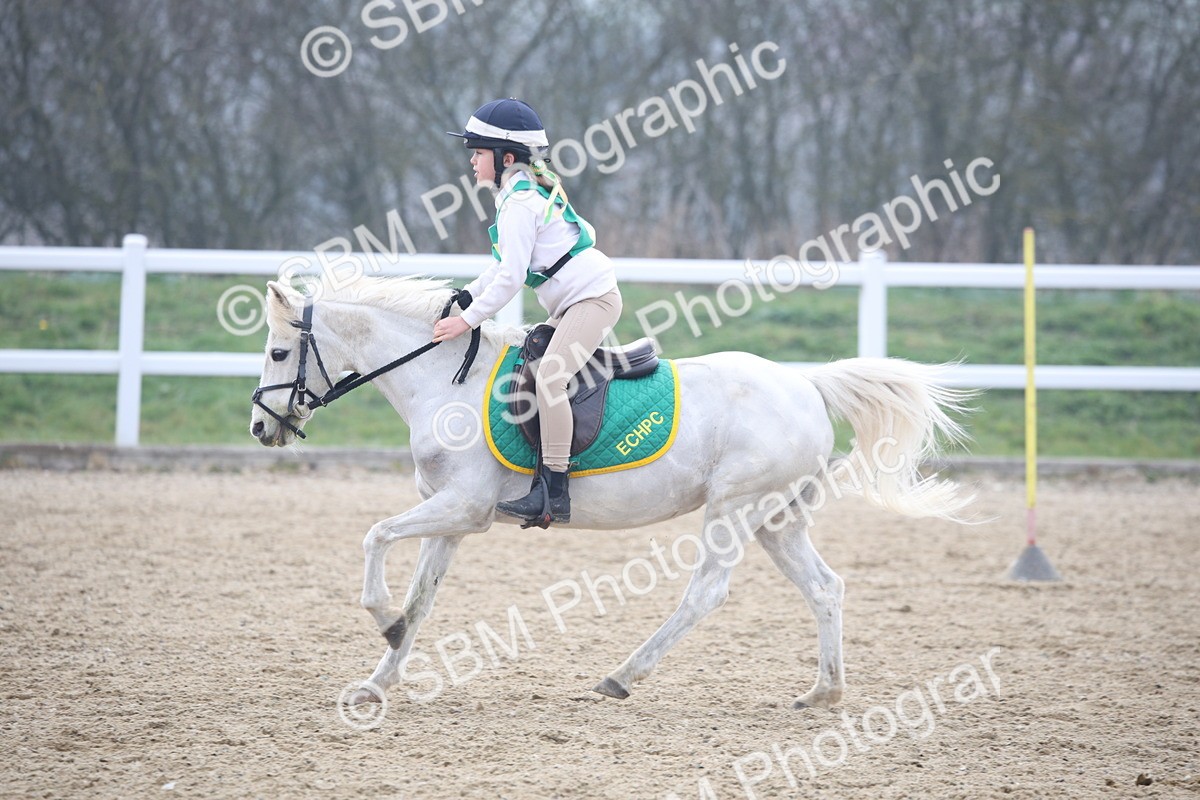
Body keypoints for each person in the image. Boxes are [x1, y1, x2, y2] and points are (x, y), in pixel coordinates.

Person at [433, 98, 623, 526]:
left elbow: (511, 278)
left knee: (552, 376)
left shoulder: (520, 203)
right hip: (576, 300)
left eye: (478, 153)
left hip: (592, 300)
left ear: (507, 157)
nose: (473, 161)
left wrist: (467, 320)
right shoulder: (516, 195)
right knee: (535, 368)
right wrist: (466, 295)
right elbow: (501, 267)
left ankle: (554, 490)